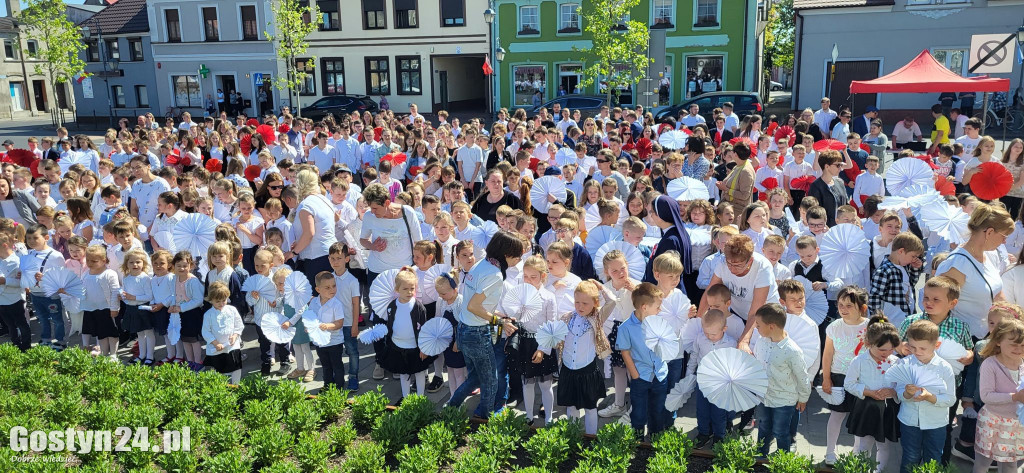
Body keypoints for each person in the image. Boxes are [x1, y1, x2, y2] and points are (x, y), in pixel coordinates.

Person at [447, 231, 525, 419]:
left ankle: (450, 407)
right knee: (490, 381)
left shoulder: (482, 263)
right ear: (506, 254)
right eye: (517, 256)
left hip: (465, 330)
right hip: (477, 333)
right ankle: (484, 416)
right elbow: (474, 306)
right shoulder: (495, 275)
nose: (519, 260)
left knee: (474, 377)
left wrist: (498, 314)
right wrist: (498, 321)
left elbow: (474, 303)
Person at [935, 203, 1011, 340]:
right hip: (961, 342)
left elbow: (998, 295)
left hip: (986, 337)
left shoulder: (990, 255)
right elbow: (936, 308)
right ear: (989, 232)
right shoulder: (957, 264)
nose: (1005, 241)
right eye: (1004, 236)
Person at [699, 234, 779, 353]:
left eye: (737, 265)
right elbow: (709, 292)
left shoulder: (762, 267)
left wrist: (744, 340)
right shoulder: (722, 262)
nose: (732, 269)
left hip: (764, 316)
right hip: (738, 312)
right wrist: (698, 321)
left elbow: (756, 311)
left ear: (750, 261)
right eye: (729, 264)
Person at [844, 315, 902, 473]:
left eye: (891, 349)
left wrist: (893, 392)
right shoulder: (860, 361)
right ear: (869, 343)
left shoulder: (896, 362)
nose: (887, 353)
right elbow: (849, 384)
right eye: (882, 349)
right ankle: (861, 469)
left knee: (884, 445)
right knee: (864, 444)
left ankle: (879, 470)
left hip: (887, 409)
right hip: (867, 407)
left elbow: (902, 387)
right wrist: (868, 392)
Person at [753, 302, 811, 456]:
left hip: (784, 400)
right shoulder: (760, 342)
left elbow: (802, 376)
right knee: (764, 426)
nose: (755, 328)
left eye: (758, 325)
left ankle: (782, 460)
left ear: (771, 326)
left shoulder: (792, 350)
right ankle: (760, 454)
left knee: (781, 431)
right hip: (764, 397)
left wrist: (803, 398)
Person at [820, 286, 870, 466]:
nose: (843, 309)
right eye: (840, 304)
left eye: (849, 305)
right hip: (839, 376)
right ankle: (830, 452)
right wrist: (826, 378)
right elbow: (827, 354)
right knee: (836, 415)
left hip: (861, 378)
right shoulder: (834, 327)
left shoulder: (870, 327)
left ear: (862, 307)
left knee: (858, 418)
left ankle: (857, 453)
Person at [898, 319, 956, 473]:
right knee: (910, 457)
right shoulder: (904, 364)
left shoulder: (945, 368)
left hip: (936, 423)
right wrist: (906, 393)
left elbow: (950, 399)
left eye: (923, 348)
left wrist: (930, 397)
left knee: (933, 459)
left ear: (936, 345)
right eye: (912, 347)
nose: (917, 352)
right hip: (909, 421)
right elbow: (898, 393)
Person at [971, 317, 1024, 473]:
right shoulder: (990, 364)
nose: (1019, 349)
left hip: (1015, 425)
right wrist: (1014, 397)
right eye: (1014, 344)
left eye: (1022, 345)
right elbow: (986, 396)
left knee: (1010, 464)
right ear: (999, 341)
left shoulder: (1022, 364)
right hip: (992, 423)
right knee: (982, 464)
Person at [617, 282, 668, 439]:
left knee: (658, 411)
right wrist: (634, 374)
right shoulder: (626, 327)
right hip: (641, 376)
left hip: (659, 374)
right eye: (657, 307)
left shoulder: (659, 322)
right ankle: (638, 441)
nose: (660, 310)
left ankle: (655, 439)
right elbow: (625, 351)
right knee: (638, 413)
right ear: (644, 307)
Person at [201, 281, 244, 384]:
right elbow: (206, 331)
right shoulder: (208, 314)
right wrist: (215, 343)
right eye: (218, 301)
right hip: (217, 347)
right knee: (217, 367)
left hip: (231, 345)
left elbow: (239, 324)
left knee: (236, 366)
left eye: (223, 300)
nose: (221, 304)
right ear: (211, 300)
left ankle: (236, 384)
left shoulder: (232, 310)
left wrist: (235, 335)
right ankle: (220, 386)